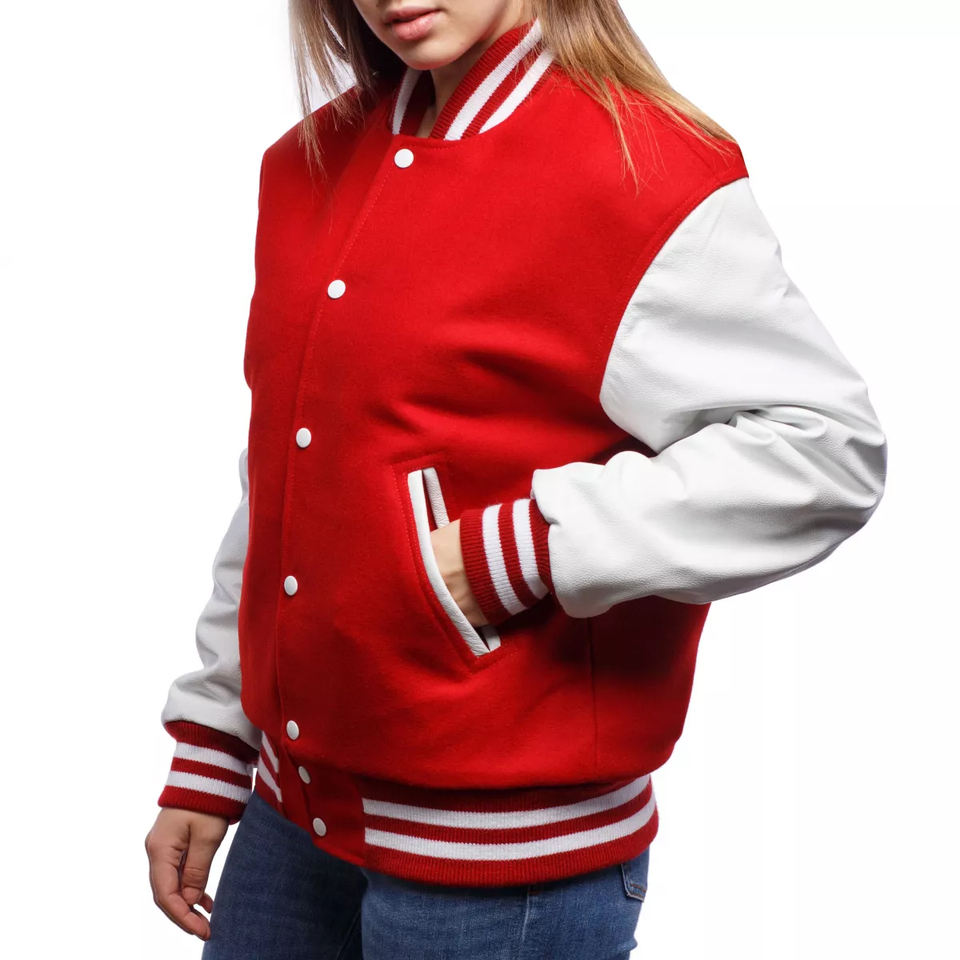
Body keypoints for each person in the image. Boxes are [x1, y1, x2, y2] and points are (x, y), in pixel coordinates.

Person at [143, 2, 888, 957]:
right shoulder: (307, 163)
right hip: (291, 818)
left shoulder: (641, 168)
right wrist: (214, 745)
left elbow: (824, 449)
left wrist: (513, 551)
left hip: (504, 863)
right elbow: (288, 471)